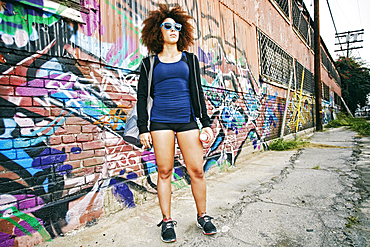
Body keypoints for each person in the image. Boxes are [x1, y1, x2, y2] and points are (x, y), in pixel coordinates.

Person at [137, 3, 217, 243]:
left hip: (187, 121)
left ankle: (203, 216)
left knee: (197, 171)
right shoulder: (149, 64)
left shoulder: (189, 60)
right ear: (157, 31)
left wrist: (205, 123)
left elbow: (197, 92)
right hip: (160, 122)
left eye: (177, 27)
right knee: (164, 172)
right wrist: (143, 128)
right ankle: (167, 220)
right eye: (168, 26)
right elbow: (142, 97)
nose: (173, 30)